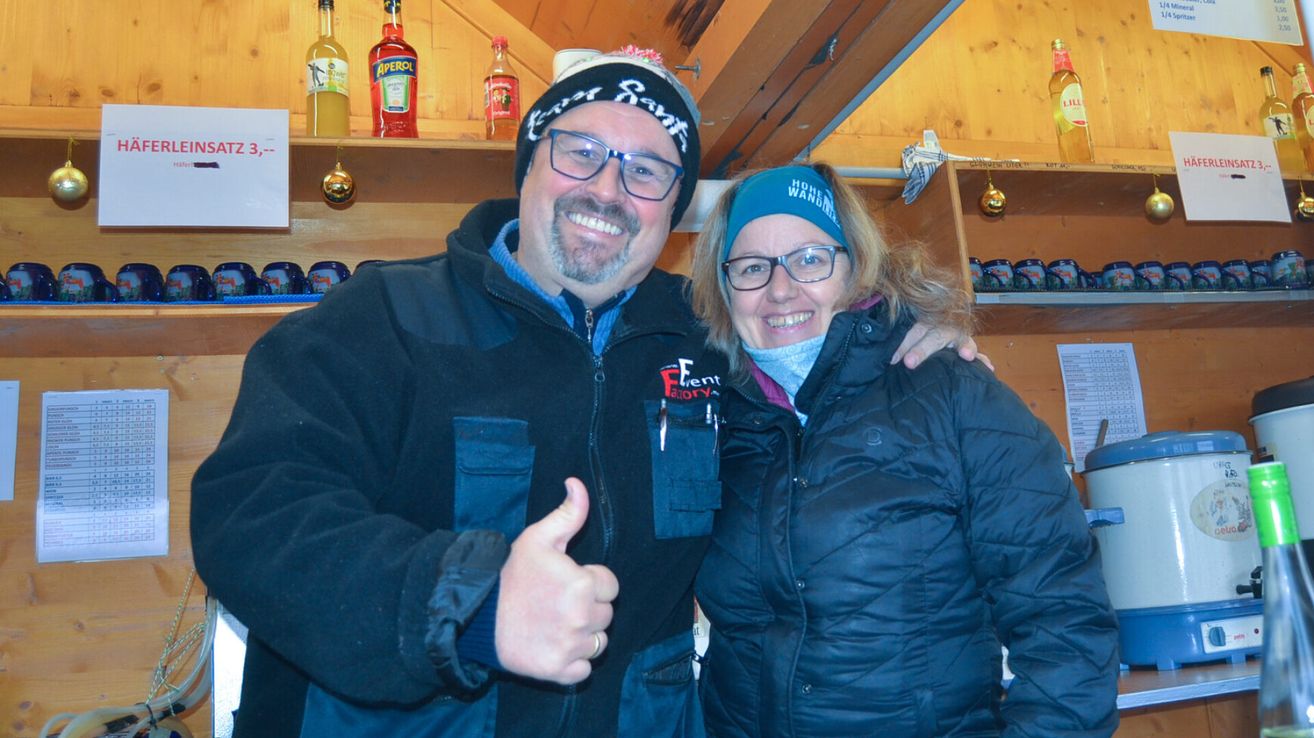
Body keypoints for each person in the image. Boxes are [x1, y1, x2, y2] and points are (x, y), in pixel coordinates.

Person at [190, 51, 975, 737]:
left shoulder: (706, 337)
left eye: (646, 171)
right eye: (581, 152)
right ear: (529, 164)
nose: (607, 189)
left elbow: (813, 349)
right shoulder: (382, 318)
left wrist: (911, 348)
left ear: (670, 210)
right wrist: (472, 605)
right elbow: (251, 515)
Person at [689, 164, 1120, 737]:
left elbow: (1065, 619)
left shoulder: (953, 392)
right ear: (724, 289)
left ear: (858, 267)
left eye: (811, 258)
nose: (780, 289)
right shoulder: (716, 418)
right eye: (750, 268)